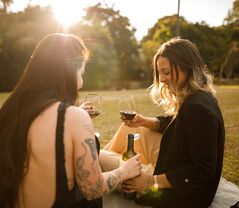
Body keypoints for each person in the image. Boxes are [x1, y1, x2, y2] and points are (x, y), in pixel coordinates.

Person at [0, 33, 141, 208]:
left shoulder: (8, 111)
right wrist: (124, 171)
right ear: (69, 71)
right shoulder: (73, 117)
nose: (81, 81)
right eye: (81, 72)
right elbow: (93, 188)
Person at [100, 37, 225, 208]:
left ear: (186, 68)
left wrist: (149, 181)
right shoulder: (199, 97)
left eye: (166, 72)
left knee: (98, 156)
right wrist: (143, 121)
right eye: (160, 73)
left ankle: (104, 173)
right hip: (173, 161)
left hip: (182, 193)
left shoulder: (198, 108)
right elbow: (177, 125)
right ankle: (120, 166)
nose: (163, 79)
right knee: (129, 128)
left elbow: (201, 171)